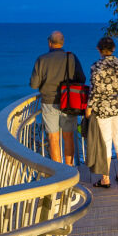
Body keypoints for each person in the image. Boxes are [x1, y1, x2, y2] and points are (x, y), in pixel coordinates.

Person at [30, 31, 85, 165]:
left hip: (49, 102)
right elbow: (82, 79)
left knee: (53, 138)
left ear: (49, 42)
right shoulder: (71, 57)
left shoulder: (41, 59)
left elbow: (34, 84)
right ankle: (70, 169)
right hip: (69, 102)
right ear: (62, 42)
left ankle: (60, 173)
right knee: (68, 136)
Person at [85, 37, 118, 187]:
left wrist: (89, 108)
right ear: (113, 49)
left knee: (106, 143)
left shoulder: (96, 66)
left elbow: (94, 90)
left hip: (104, 109)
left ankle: (106, 178)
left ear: (99, 49)